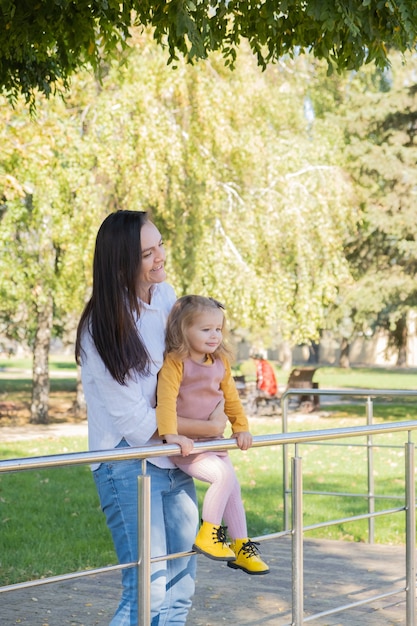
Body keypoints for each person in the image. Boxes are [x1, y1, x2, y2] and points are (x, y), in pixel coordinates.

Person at [75, 211, 228, 626]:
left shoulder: (166, 298)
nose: (160, 256)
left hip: (174, 455)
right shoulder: (101, 328)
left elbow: (187, 364)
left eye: (160, 243)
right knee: (149, 590)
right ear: (122, 263)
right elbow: (134, 421)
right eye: (147, 252)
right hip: (127, 461)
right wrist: (210, 428)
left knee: (181, 587)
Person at [156, 295, 269, 576]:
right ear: (184, 330)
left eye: (218, 329)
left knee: (232, 486)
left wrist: (240, 428)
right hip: (187, 446)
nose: (214, 335)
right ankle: (209, 532)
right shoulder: (175, 361)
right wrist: (171, 434)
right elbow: (166, 399)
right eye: (205, 329)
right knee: (222, 476)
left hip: (215, 443)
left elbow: (231, 398)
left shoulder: (220, 362)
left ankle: (242, 546)